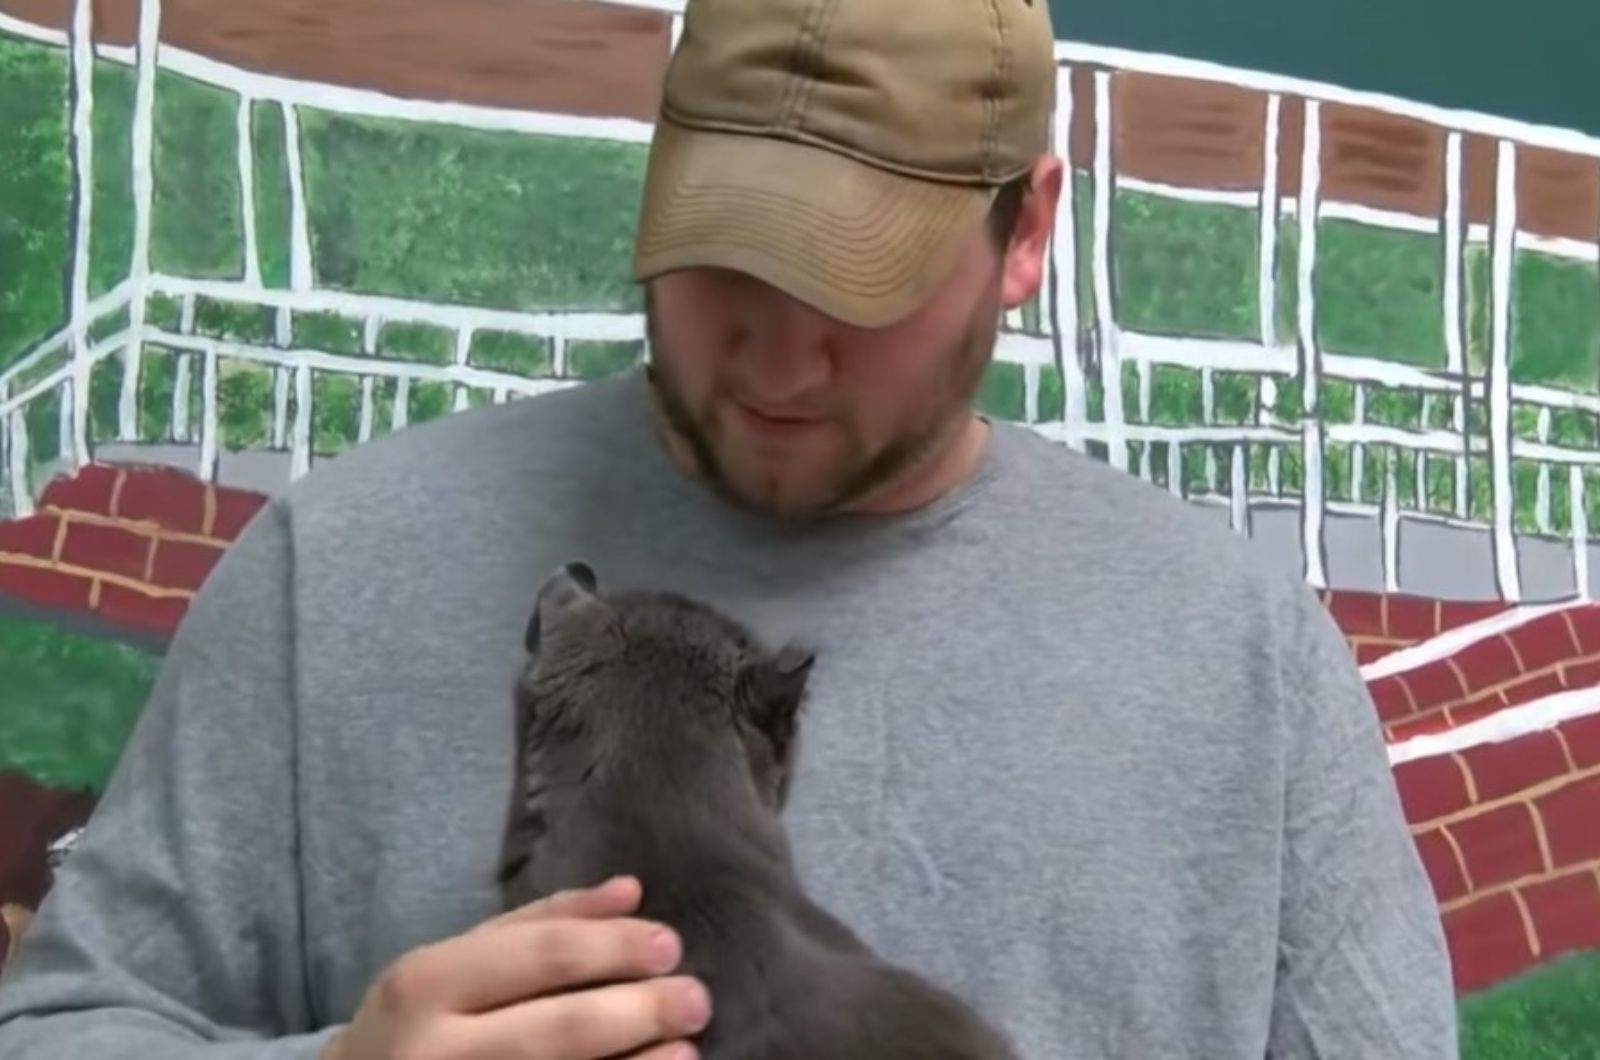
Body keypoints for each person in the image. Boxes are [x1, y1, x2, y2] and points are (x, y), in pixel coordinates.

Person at [0, 0, 1459, 1055]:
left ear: (1026, 232)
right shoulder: (339, 569)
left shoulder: (1244, 661)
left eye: (861, 283)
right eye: (726, 258)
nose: (776, 360)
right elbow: (62, 1024)